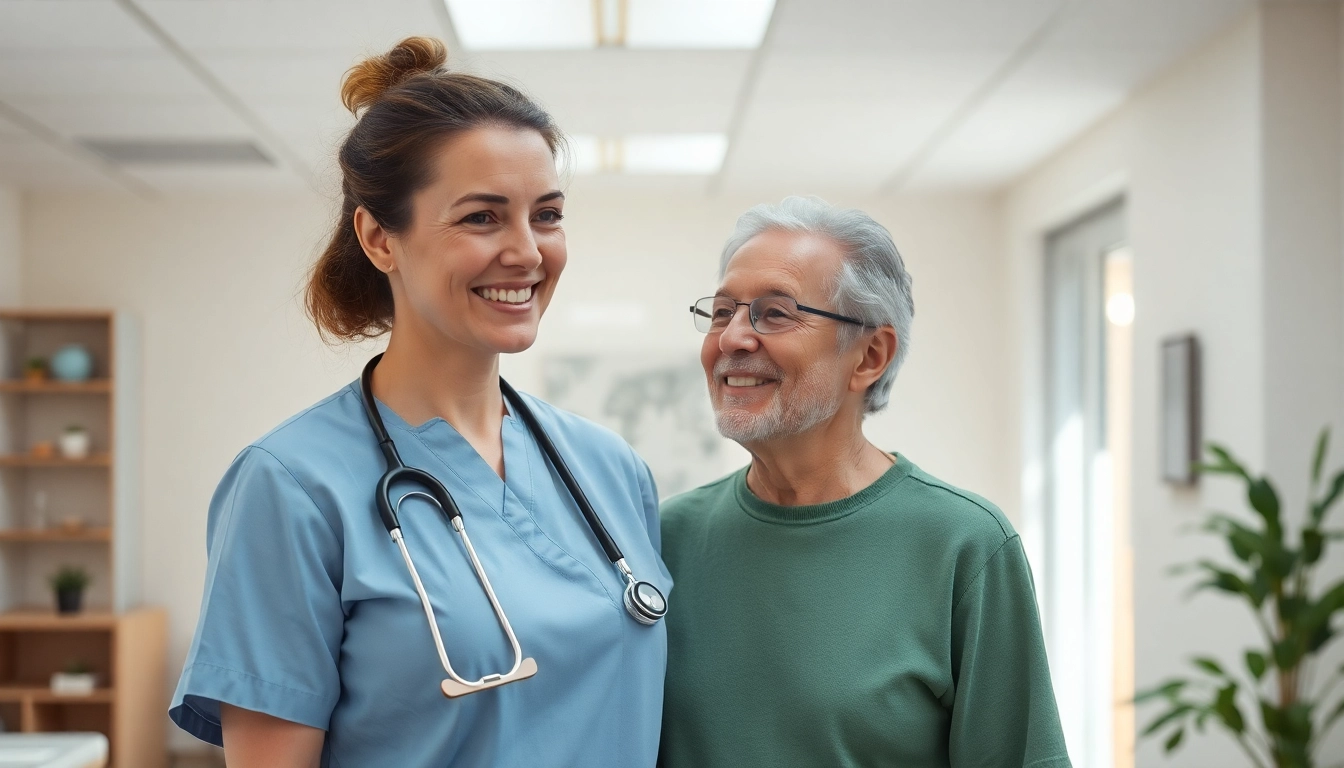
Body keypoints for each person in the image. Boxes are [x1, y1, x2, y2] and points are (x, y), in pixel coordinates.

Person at [169, 37, 670, 767]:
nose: (528, 251)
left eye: (548, 214)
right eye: (481, 217)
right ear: (379, 238)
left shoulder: (610, 467)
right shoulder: (291, 487)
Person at [659, 196, 1070, 767]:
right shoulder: (665, 539)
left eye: (775, 313)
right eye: (723, 311)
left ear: (869, 355)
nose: (732, 338)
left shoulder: (964, 546)